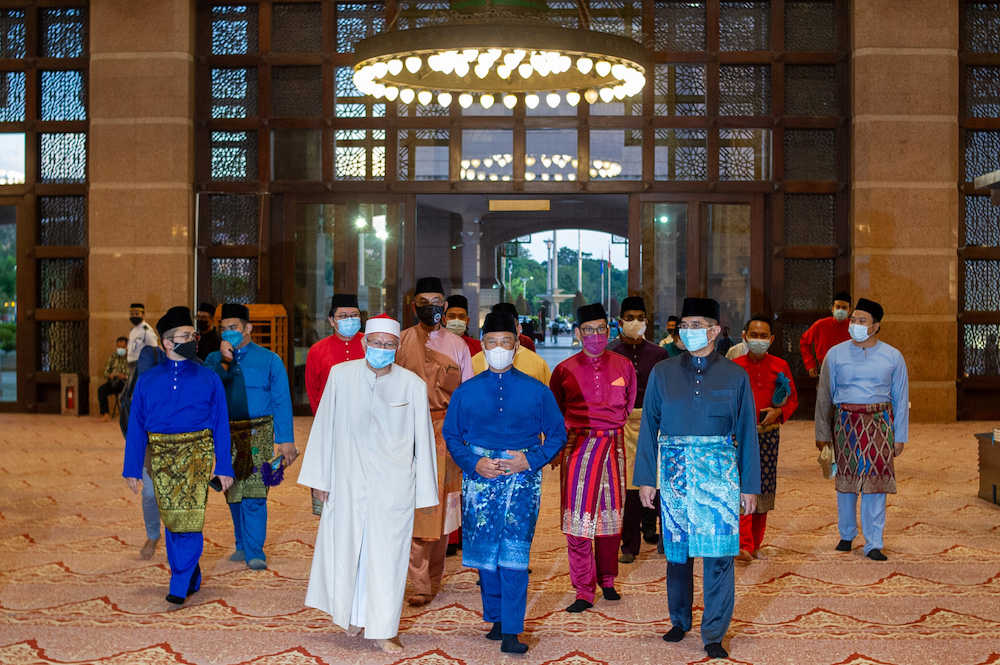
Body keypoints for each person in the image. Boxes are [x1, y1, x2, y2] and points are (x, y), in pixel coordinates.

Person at [298, 314, 439, 654]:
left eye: (388, 345)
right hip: (346, 480)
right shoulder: (341, 376)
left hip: (394, 489)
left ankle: (383, 629)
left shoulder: (412, 385)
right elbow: (324, 427)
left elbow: (424, 441)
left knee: (387, 559)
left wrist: (423, 494)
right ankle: (347, 615)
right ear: (364, 344)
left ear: (397, 347)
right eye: (375, 343)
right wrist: (319, 478)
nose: (381, 349)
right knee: (346, 551)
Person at [634, 297, 760, 660]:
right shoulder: (663, 371)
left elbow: (747, 432)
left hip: (720, 474)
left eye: (696, 325)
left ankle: (714, 632)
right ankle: (679, 619)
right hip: (674, 473)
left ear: (715, 331)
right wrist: (646, 478)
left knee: (719, 556)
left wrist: (749, 485)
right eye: (683, 326)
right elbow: (648, 428)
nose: (687, 332)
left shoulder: (736, 375)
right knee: (678, 554)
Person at [444, 311, 568, 654]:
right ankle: (496, 618)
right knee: (485, 554)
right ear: (482, 347)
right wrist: (474, 462)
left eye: (506, 342)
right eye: (492, 343)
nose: (499, 348)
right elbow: (452, 436)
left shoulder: (537, 391)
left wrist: (530, 459)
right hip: (479, 481)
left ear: (516, 347)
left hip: (522, 481)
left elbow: (558, 433)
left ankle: (512, 629)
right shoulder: (465, 392)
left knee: (514, 553)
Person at [122, 306, 234, 606]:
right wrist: (132, 467)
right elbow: (136, 426)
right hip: (161, 458)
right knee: (173, 520)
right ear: (167, 343)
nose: (193, 340)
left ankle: (179, 579)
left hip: (197, 455)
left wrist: (224, 466)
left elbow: (222, 424)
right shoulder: (147, 380)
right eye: (185, 336)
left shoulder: (208, 378)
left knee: (190, 519)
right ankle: (190, 572)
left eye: (193, 335)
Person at [549, 303, 637, 613]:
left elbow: (628, 406)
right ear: (577, 333)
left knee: (612, 518)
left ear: (609, 330)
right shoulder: (564, 369)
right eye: (589, 330)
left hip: (613, 448)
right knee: (578, 520)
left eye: (601, 329)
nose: (596, 335)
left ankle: (608, 579)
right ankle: (583, 590)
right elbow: (555, 411)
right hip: (578, 448)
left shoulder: (624, 366)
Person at [396, 276, 473, 606]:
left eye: (437, 302)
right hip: (406, 431)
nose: (433, 309)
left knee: (443, 509)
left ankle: (435, 576)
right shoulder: (399, 341)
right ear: (414, 306)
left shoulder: (459, 346)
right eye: (424, 303)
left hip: (447, 432)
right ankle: (419, 580)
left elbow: (467, 395)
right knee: (414, 507)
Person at [815, 298, 908, 562]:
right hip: (845, 422)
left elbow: (901, 399)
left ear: (875, 326)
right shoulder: (835, 354)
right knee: (846, 482)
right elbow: (824, 396)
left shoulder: (893, 356)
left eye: (861, 321)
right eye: (853, 319)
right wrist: (822, 434)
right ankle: (847, 534)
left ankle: (874, 542)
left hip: (880, 423)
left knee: (876, 483)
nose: (854, 324)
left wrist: (900, 436)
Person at [206, 303, 296, 571]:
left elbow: (281, 400)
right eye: (223, 329)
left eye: (233, 328)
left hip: (260, 433)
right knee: (231, 489)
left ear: (247, 328)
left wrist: (286, 438)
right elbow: (208, 390)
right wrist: (224, 360)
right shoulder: (214, 359)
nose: (227, 333)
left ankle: (255, 549)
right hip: (227, 434)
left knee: (255, 492)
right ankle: (241, 543)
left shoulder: (270, 360)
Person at [732, 314, 799, 561]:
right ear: (744, 337)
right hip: (740, 438)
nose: (758, 340)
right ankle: (744, 544)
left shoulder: (780, 365)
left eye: (763, 336)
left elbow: (793, 400)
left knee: (764, 487)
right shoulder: (735, 366)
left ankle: (756, 543)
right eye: (753, 335)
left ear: (771, 339)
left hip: (768, 436)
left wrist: (779, 412)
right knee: (742, 486)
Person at [608, 296, 669, 564]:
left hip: (655, 424)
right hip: (622, 427)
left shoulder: (659, 354)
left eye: (640, 318)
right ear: (620, 322)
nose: (635, 323)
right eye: (629, 318)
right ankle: (629, 544)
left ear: (647, 322)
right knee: (628, 488)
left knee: (661, 481)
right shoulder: (610, 353)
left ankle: (666, 537)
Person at [304, 293, 365, 414]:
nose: (350, 320)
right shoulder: (318, 350)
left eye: (354, 315)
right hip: (330, 414)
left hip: (365, 415)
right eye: (343, 316)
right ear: (331, 320)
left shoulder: (371, 344)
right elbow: (313, 390)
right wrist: (321, 419)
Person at [471, 303, 552, 383]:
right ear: (483, 344)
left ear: (518, 329)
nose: (499, 347)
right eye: (492, 341)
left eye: (505, 341)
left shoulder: (537, 363)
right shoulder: (473, 363)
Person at [800, 292, 852, 378]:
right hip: (825, 370)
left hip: (849, 372)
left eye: (844, 308)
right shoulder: (820, 325)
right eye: (838, 307)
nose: (840, 310)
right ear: (832, 309)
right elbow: (804, 341)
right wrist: (810, 364)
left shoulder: (855, 328)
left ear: (849, 311)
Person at [98, 336, 129, 421]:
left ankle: (126, 416)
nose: (120, 349)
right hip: (113, 382)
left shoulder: (130, 358)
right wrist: (110, 375)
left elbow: (134, 374)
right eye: (118, 347)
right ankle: (105, 414)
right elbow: (105, 372)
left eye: (123, 347)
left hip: (125, 383)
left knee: (127, 393)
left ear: (127, 347)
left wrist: (125, 376)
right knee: (101, 390)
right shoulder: (112, 357)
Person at [126, 303, 159, 370]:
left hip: (143, 365)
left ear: (143, 315)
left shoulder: (147, 331)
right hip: (131, 366)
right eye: (132, 314)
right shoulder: (132, 331)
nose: (134, 316)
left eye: (137, 314)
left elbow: (154, 351)